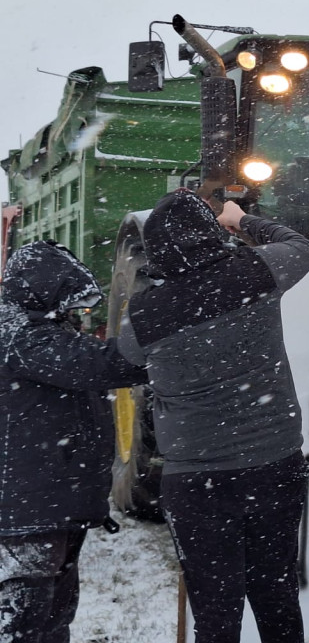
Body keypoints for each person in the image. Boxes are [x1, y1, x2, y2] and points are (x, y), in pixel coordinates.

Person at [116, 190, 309, 643]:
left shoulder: (146, 313)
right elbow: (304, 249)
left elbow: (128, 356)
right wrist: (243, 220)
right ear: (210, 233)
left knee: (215, 611)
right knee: (277, 593)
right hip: (275, 464)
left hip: (195, 481)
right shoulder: (255, 270)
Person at [0, 240, 148, 643]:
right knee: (23, 627)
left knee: (52, 622)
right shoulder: (20, 335)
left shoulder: (35, 331)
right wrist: (168, 346)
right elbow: (101, 363)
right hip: (25, 516)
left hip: (49, 507)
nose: (78, 314)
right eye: (71, 303)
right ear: (44, 292)